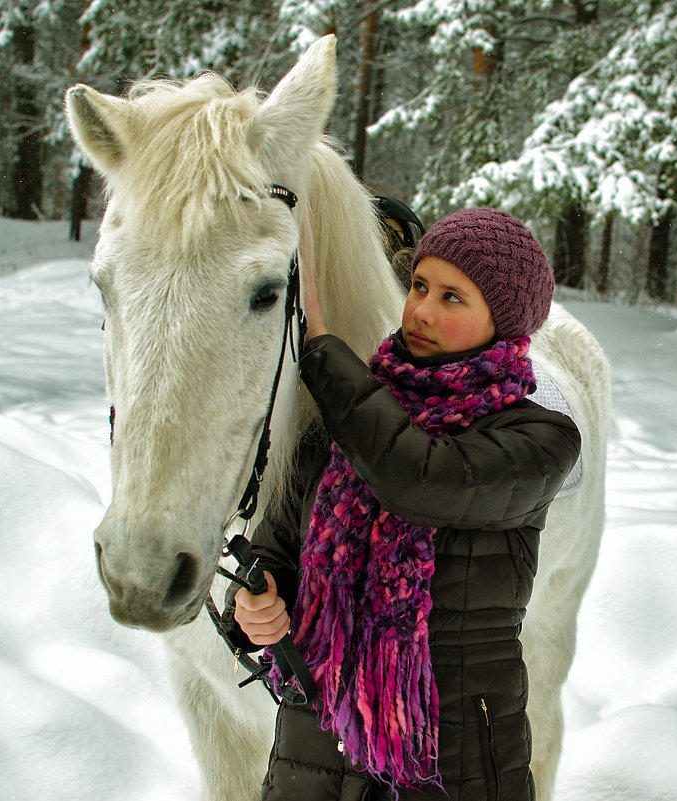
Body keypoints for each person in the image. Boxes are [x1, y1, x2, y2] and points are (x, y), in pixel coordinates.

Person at [228, 207, 582, 801]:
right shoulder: (348, 418)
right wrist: (257, 605)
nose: (421, 310)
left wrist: (323, 353)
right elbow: (277, 549)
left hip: (452, 763)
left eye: (452, 297)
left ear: (504, 319)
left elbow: (420, 480)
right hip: (314, 753)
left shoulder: (538, 440)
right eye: (419, 285)